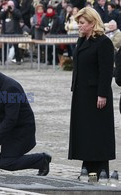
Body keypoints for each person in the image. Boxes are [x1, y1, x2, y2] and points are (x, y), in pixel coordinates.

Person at [0, 63, 51, 174]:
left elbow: (11, 119)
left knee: (7, 164)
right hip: (5, 124)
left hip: (20, 129)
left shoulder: (10, 87)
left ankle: (41, 160)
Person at [68, 7, 116, 180]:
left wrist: (102, 93)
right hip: (82, 95)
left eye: (82, 23)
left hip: (96, 95)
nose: (79, 26)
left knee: (97, 133)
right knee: (86, 133)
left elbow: (106, 71)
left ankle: (100, 171)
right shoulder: (82, 40)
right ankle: (87, 169)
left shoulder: (103, 42)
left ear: (92, 23)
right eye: (78, 23)